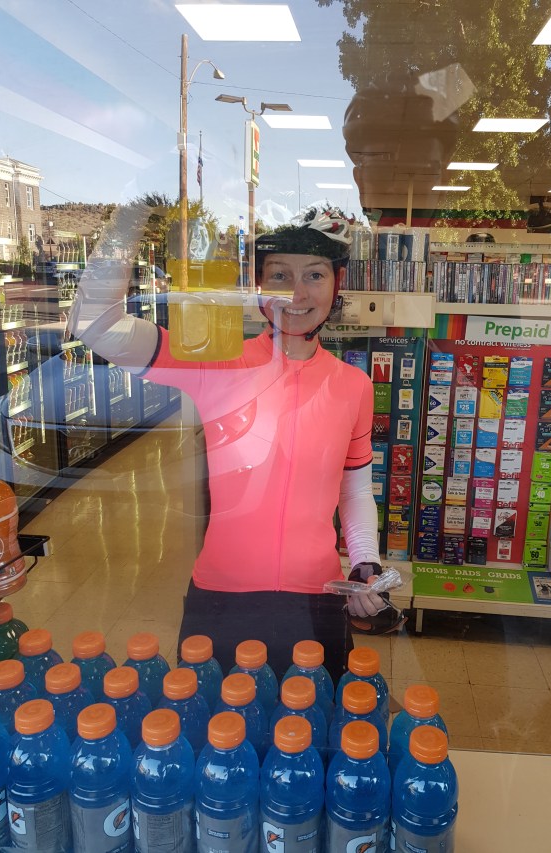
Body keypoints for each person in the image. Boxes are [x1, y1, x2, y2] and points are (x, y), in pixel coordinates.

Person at [68, 206, 393, 683]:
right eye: (279, 275)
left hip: (318, 600)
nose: (297, 293)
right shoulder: (216, 361)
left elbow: (354, 489)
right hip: (222, 599)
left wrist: (365, 563)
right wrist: (127, 220)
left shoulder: (353, 385)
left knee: (309, 728)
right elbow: (95, 324)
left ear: (336, 283)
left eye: (314, 275)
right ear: (257, 285)